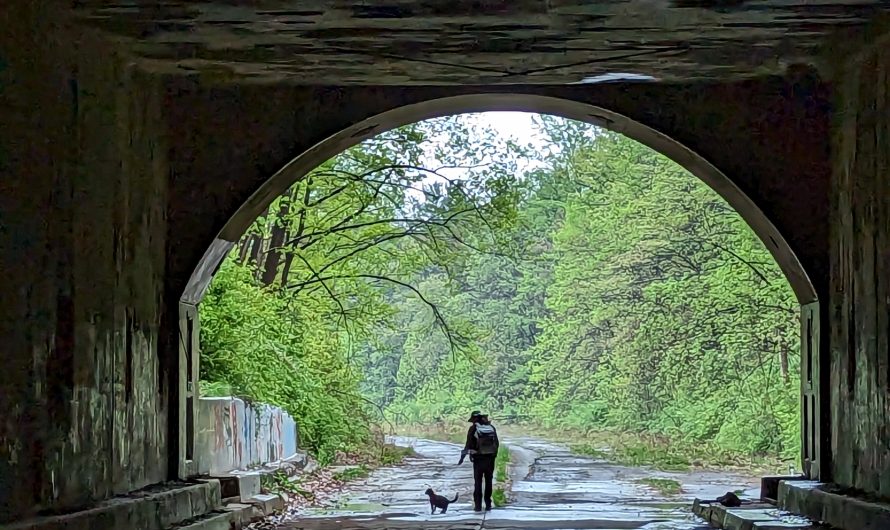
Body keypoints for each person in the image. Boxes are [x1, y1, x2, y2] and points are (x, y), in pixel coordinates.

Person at [458, 410, 499, 512]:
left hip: (478, 459)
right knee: (489, 481)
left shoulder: (473, 429)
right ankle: (488, 504)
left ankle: (478, 506)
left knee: (478, 482)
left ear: (474, 419)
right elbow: (496, 444)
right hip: (490, 459)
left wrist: (462, 458)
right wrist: (493, 456)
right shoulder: (491, 428)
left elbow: (468, 445)